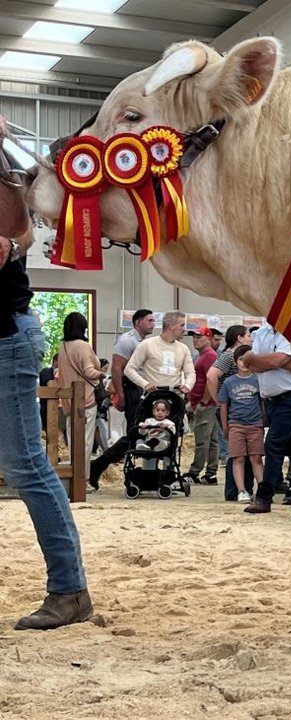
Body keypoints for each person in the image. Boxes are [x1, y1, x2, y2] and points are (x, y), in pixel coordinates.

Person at [0, 126, 93, 629]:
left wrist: (10, 247)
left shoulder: (5, 170)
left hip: (5, 337)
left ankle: (69, 591)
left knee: (26, 467)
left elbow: (16, 238)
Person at [241, 321, 291, 514]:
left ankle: (264, 496)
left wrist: (257, 359)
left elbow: (282, 363)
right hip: (271, 397)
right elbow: (251, 364)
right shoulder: (262, 332)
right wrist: (264, 360)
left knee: (273, 442)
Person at [88, 308, 156, 488]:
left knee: (139, 434)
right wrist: (121, 394)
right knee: (135, 434)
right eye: (150, 320)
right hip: (130, 389)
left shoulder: (143, 342)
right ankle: (98, 465)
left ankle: (99, 465)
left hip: (139, 389)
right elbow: (116, 369)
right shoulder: (127, 341)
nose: (153, 324)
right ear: (138, 322)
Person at [205, 325, 254, 500]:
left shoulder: (239, 355)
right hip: (232, 410)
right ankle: (234, 490)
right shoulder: (228, 356)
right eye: (248, 335)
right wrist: (218, 400)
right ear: (239, 338)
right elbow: (212, 375)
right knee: (237, 450)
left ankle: (243, 489)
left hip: (239, 409)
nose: (251, 338)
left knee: (244, 451)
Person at [55, 312, 105, 478]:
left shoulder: (63, 347)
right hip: (86, 399)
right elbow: (89, 371)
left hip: (69, 400)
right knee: (85, 441)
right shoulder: (83, 346)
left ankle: (72, 476)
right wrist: (101, 374)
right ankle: (82, 478)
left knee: (73, 440)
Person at [218, 346, 265, 504]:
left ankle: (263, 490)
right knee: (238, 458)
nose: (244, 363)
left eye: (247, 359)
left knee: (256, 458)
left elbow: (262, 402)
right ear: (235, 361)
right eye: (240, 359)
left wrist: (262, 422)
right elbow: (224, 405)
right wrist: (225, 426)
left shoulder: (258, 379)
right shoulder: (229, 382)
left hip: (255, 425)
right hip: (236, 425)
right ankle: (241, 490)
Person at [123, 311, 194, 395]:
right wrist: (145, 384)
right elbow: (129, 369)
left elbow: (190, 373)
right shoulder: (147, 344)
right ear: (171, 326)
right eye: (182, 325)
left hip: (175, 397)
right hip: (153, 397)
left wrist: (188, 385)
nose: (184, 329)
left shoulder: (184, 348)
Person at [183, 326, 220, 485]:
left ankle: (195, 471)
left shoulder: (210, 356)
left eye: (199, 337)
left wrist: (204, 401)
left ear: (208, 339)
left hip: (205, 403)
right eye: (194, 337)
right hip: (203, 402)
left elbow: (210, 380)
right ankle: (211, 473)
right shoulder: (203, 356)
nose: (195, 339)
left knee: (202, 440)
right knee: (211, 440)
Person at [134, 399, 177, 470]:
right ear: (153, 412)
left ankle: (159, 447)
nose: (160, 413)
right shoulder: (149, 421)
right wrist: (142, 427)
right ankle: (142, 447)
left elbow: (173, 433)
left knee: (165, 443)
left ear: (167, 413)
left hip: (162, 441)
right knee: (139, 440)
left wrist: (167, 427)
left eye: (163, 411)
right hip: (149, 442)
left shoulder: (169, 423)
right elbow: (142, 433)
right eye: (157, 410)